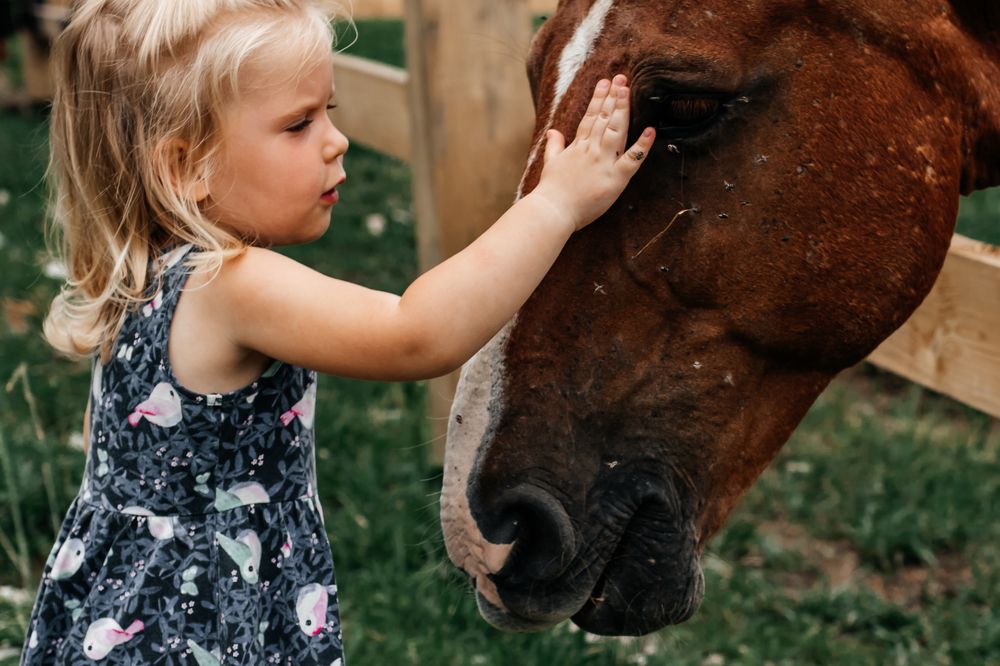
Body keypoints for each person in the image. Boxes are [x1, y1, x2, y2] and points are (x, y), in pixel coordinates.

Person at [23, 0, 655, 663]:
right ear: (184, 167)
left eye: (332, 111)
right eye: (298, 124)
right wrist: (555, 204)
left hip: (121, 613)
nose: (334, 140)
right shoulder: (232, 284)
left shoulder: (144, 285)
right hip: (202, 626)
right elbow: (417, 334)